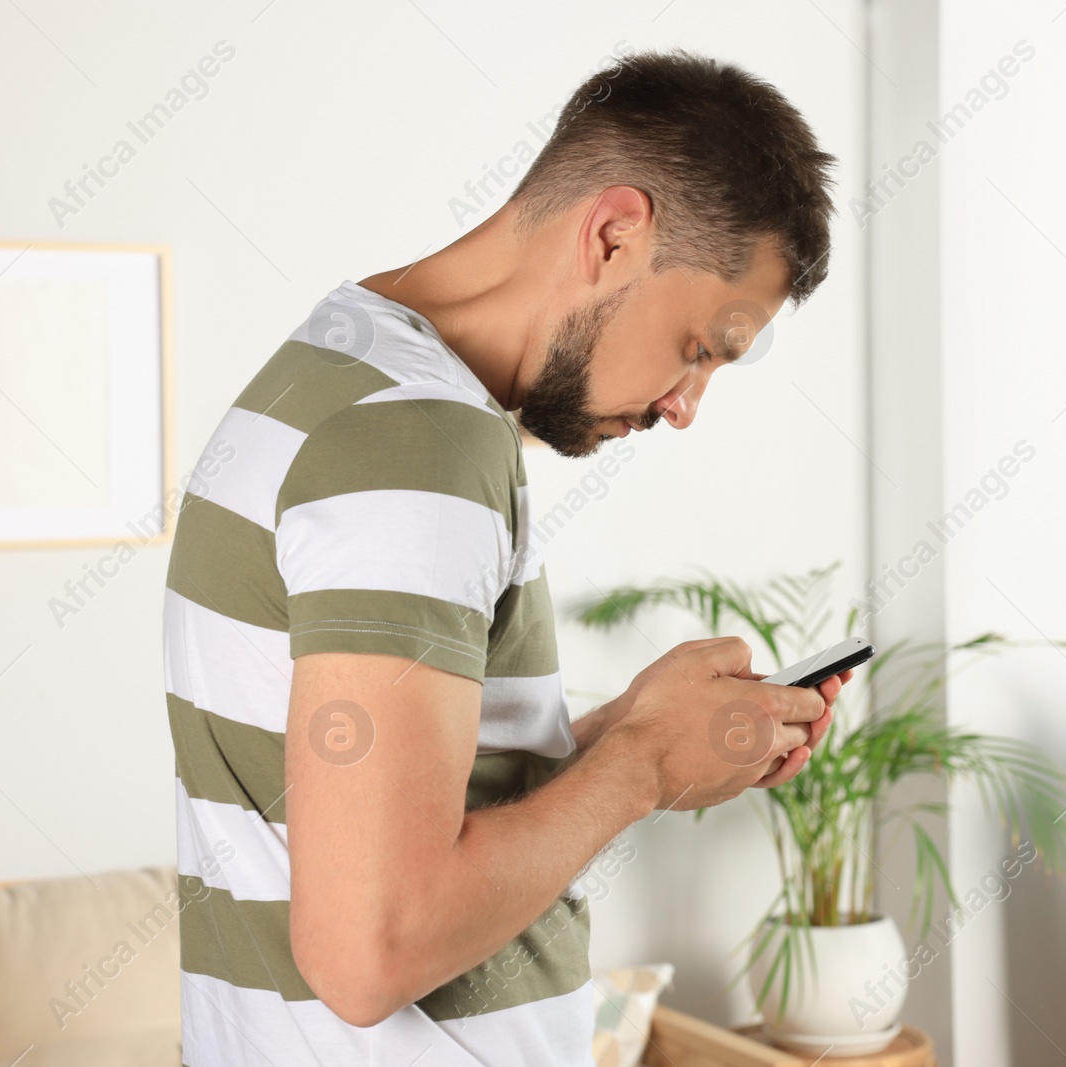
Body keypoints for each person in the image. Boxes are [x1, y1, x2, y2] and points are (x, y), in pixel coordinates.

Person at [164, 46, 845, 1066]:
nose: (685, 405)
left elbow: (381, 795)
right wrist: (642, 766)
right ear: (614, 235)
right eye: (701, 346)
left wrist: (633, 729)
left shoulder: (336, 370)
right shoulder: (419, 443)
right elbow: (369, 949)